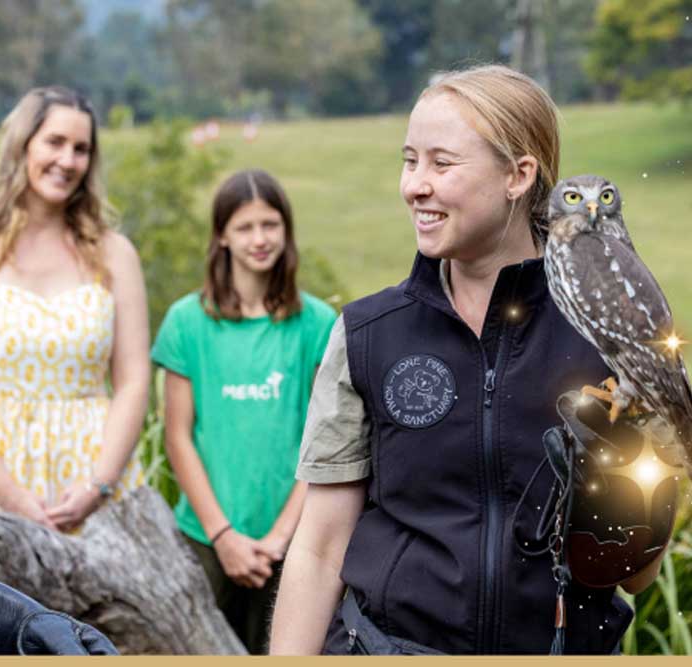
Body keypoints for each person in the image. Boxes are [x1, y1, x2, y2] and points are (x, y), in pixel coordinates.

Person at [269, 65, 661, 655]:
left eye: (441, 163)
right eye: (410, 160)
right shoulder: (367, 334)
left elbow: (636, 575)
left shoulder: (605, 337)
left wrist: (616, 491)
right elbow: (320, 546)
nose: (414, 186)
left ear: (518, 174)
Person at [0, 86, 147, 531]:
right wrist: (10, 496)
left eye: (81, 149)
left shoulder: (115, 254)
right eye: (55, 142)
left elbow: (133, 381)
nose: (67, 161)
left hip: (97, 486)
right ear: (22, 145)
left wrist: (98, 486)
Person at [152, 169, 336, 654]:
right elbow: (178, 437)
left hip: (292, 544)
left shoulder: (316, 324)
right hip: (206, 540)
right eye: (245, 227)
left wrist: (279, 538)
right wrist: (224, 536)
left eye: (270, 225)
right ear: (222, 237)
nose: (260, 239)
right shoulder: (186, 323)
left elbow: (325, 444)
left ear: (286, 230)